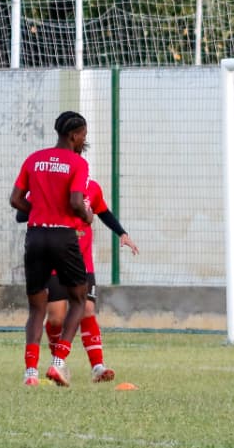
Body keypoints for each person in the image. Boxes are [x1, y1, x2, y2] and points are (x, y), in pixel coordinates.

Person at [9, 111, 93, 387]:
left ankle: (30, 373)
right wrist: (87, 216)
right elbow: (75, 201)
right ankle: (58, 363)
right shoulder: (77, 163)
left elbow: (16, 200)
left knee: (36, 308)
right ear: (73, 135)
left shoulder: (34, 159)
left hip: (35, 236)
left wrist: (38, 211)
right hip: (63, 237)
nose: (84, 139)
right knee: (79, 300)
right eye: (83, 135)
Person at [40, 177, 139, 383]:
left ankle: (97, 366)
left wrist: (122, 233)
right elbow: (27, 210)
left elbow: (103, 212)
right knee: (56, 318)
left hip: (83, 264)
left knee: (87, 310)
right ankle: (58, 363)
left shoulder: (92, 187)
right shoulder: (52, 185)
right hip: (55, 263)